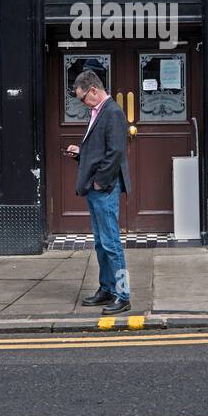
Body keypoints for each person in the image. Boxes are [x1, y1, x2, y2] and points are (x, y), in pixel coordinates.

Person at [64, 69, 132, 314]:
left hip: (104, 189)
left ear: (93, 90)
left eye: (83, 98)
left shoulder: (113, 112)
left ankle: (123, 294)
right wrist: (80, 153)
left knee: (112, 242)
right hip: (96, 188)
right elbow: (99, 151)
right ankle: (106, 289)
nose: (83, 103)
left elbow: (115, 153)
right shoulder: (97, 111)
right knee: (101, 243)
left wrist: (99, 183)